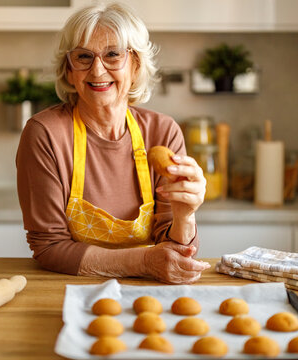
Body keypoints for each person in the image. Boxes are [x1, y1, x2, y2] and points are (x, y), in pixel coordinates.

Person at [16, 2, 209, 284]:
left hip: (149, 292)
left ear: (135, 65)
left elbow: (175, 254)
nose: (97, 71)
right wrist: (144, 262)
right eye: (83, 56)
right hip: (70, 291)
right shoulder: (45, 134)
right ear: (69, 70)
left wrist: (185, 216)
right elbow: (49, 246)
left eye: (113, 55)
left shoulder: (163, 131)